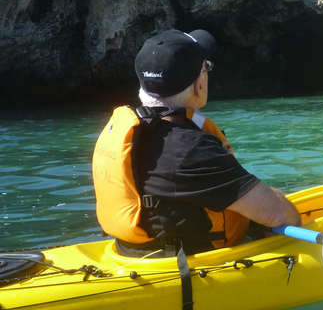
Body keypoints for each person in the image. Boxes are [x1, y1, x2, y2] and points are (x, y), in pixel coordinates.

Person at [93, 29, 301, 257]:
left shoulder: (130, 131)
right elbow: (281, 215)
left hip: (131, 252)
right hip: (187, 264)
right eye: (206, 68)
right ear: (198, 85)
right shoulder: (192, 150)